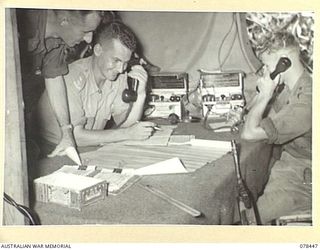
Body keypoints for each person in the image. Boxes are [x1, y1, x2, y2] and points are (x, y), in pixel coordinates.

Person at [36, 22, 156, 147]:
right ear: (98, 50)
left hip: (90, 147)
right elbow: (75, 137)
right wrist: (127, 134)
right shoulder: (70, 76)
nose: (121, 69)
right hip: (53, 149)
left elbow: (126, 125)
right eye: (116, 60)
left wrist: (141, 94)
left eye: (125, 63)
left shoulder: (118, 76)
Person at [241, 32, 312, 224]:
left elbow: (249, 133)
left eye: (267, 65)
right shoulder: (290, 89)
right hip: (290, 167)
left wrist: (265, 95)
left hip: (306, 178)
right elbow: (259, 119)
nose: (264, 71)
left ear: (284, 62)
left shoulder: (308, 98)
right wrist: (260, 95)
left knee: (251, 220)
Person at [17, 9, 104, 157]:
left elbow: (54, 78)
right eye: (86, 31)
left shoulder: (58, 38)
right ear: (64, 20)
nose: (89, 39)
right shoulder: (19, 23)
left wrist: (66, 131)